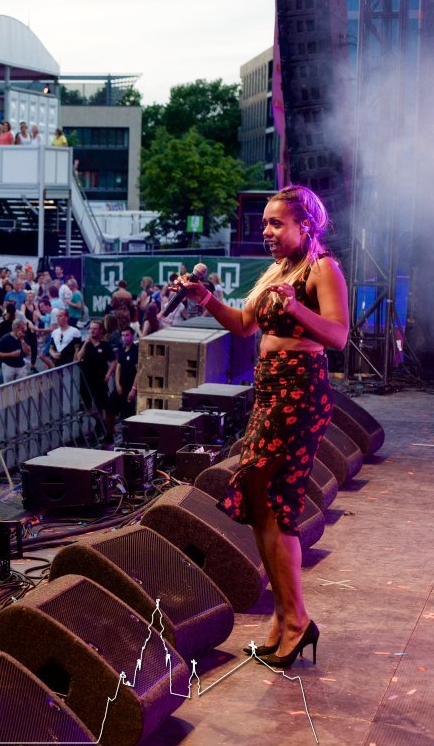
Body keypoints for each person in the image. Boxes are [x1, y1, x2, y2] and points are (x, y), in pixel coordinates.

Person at [169, 184, 348, 669]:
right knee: (263, 504)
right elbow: (245, 325)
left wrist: (294, 307)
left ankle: (296, 620)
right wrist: (206, 298)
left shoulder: (321, 268)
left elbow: (337, 335)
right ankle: (287, 618)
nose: (265, 231)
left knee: (275, 503)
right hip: (271, 395)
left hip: (299, 395)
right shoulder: (277, 270)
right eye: (264, 223)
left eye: (275, 223)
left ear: (304, 226)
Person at [75, 320, 116, 440]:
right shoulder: (85, 344)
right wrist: (85, 343)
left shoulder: (105, 345)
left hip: (100, 380)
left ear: (100, 331)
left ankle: (100, 428)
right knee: (86, 406)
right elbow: (79, 357)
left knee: (101, 405)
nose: (92, 331)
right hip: (86, 380)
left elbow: (114, 360)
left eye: (95, 329)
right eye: (90, 329)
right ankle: (100, 421)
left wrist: (108, 374)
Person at [113, 327, 139, 420]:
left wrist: (133, 389)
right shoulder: (122, 350)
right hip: (121, 385)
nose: (124, 337)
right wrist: (117, 384)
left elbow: (139, 371)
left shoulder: (136, 351)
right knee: (110, 408)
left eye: (127, 335)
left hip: (130, 386)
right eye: (123, 335)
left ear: (132, 336)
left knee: (128, 414)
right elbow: (118, 367)